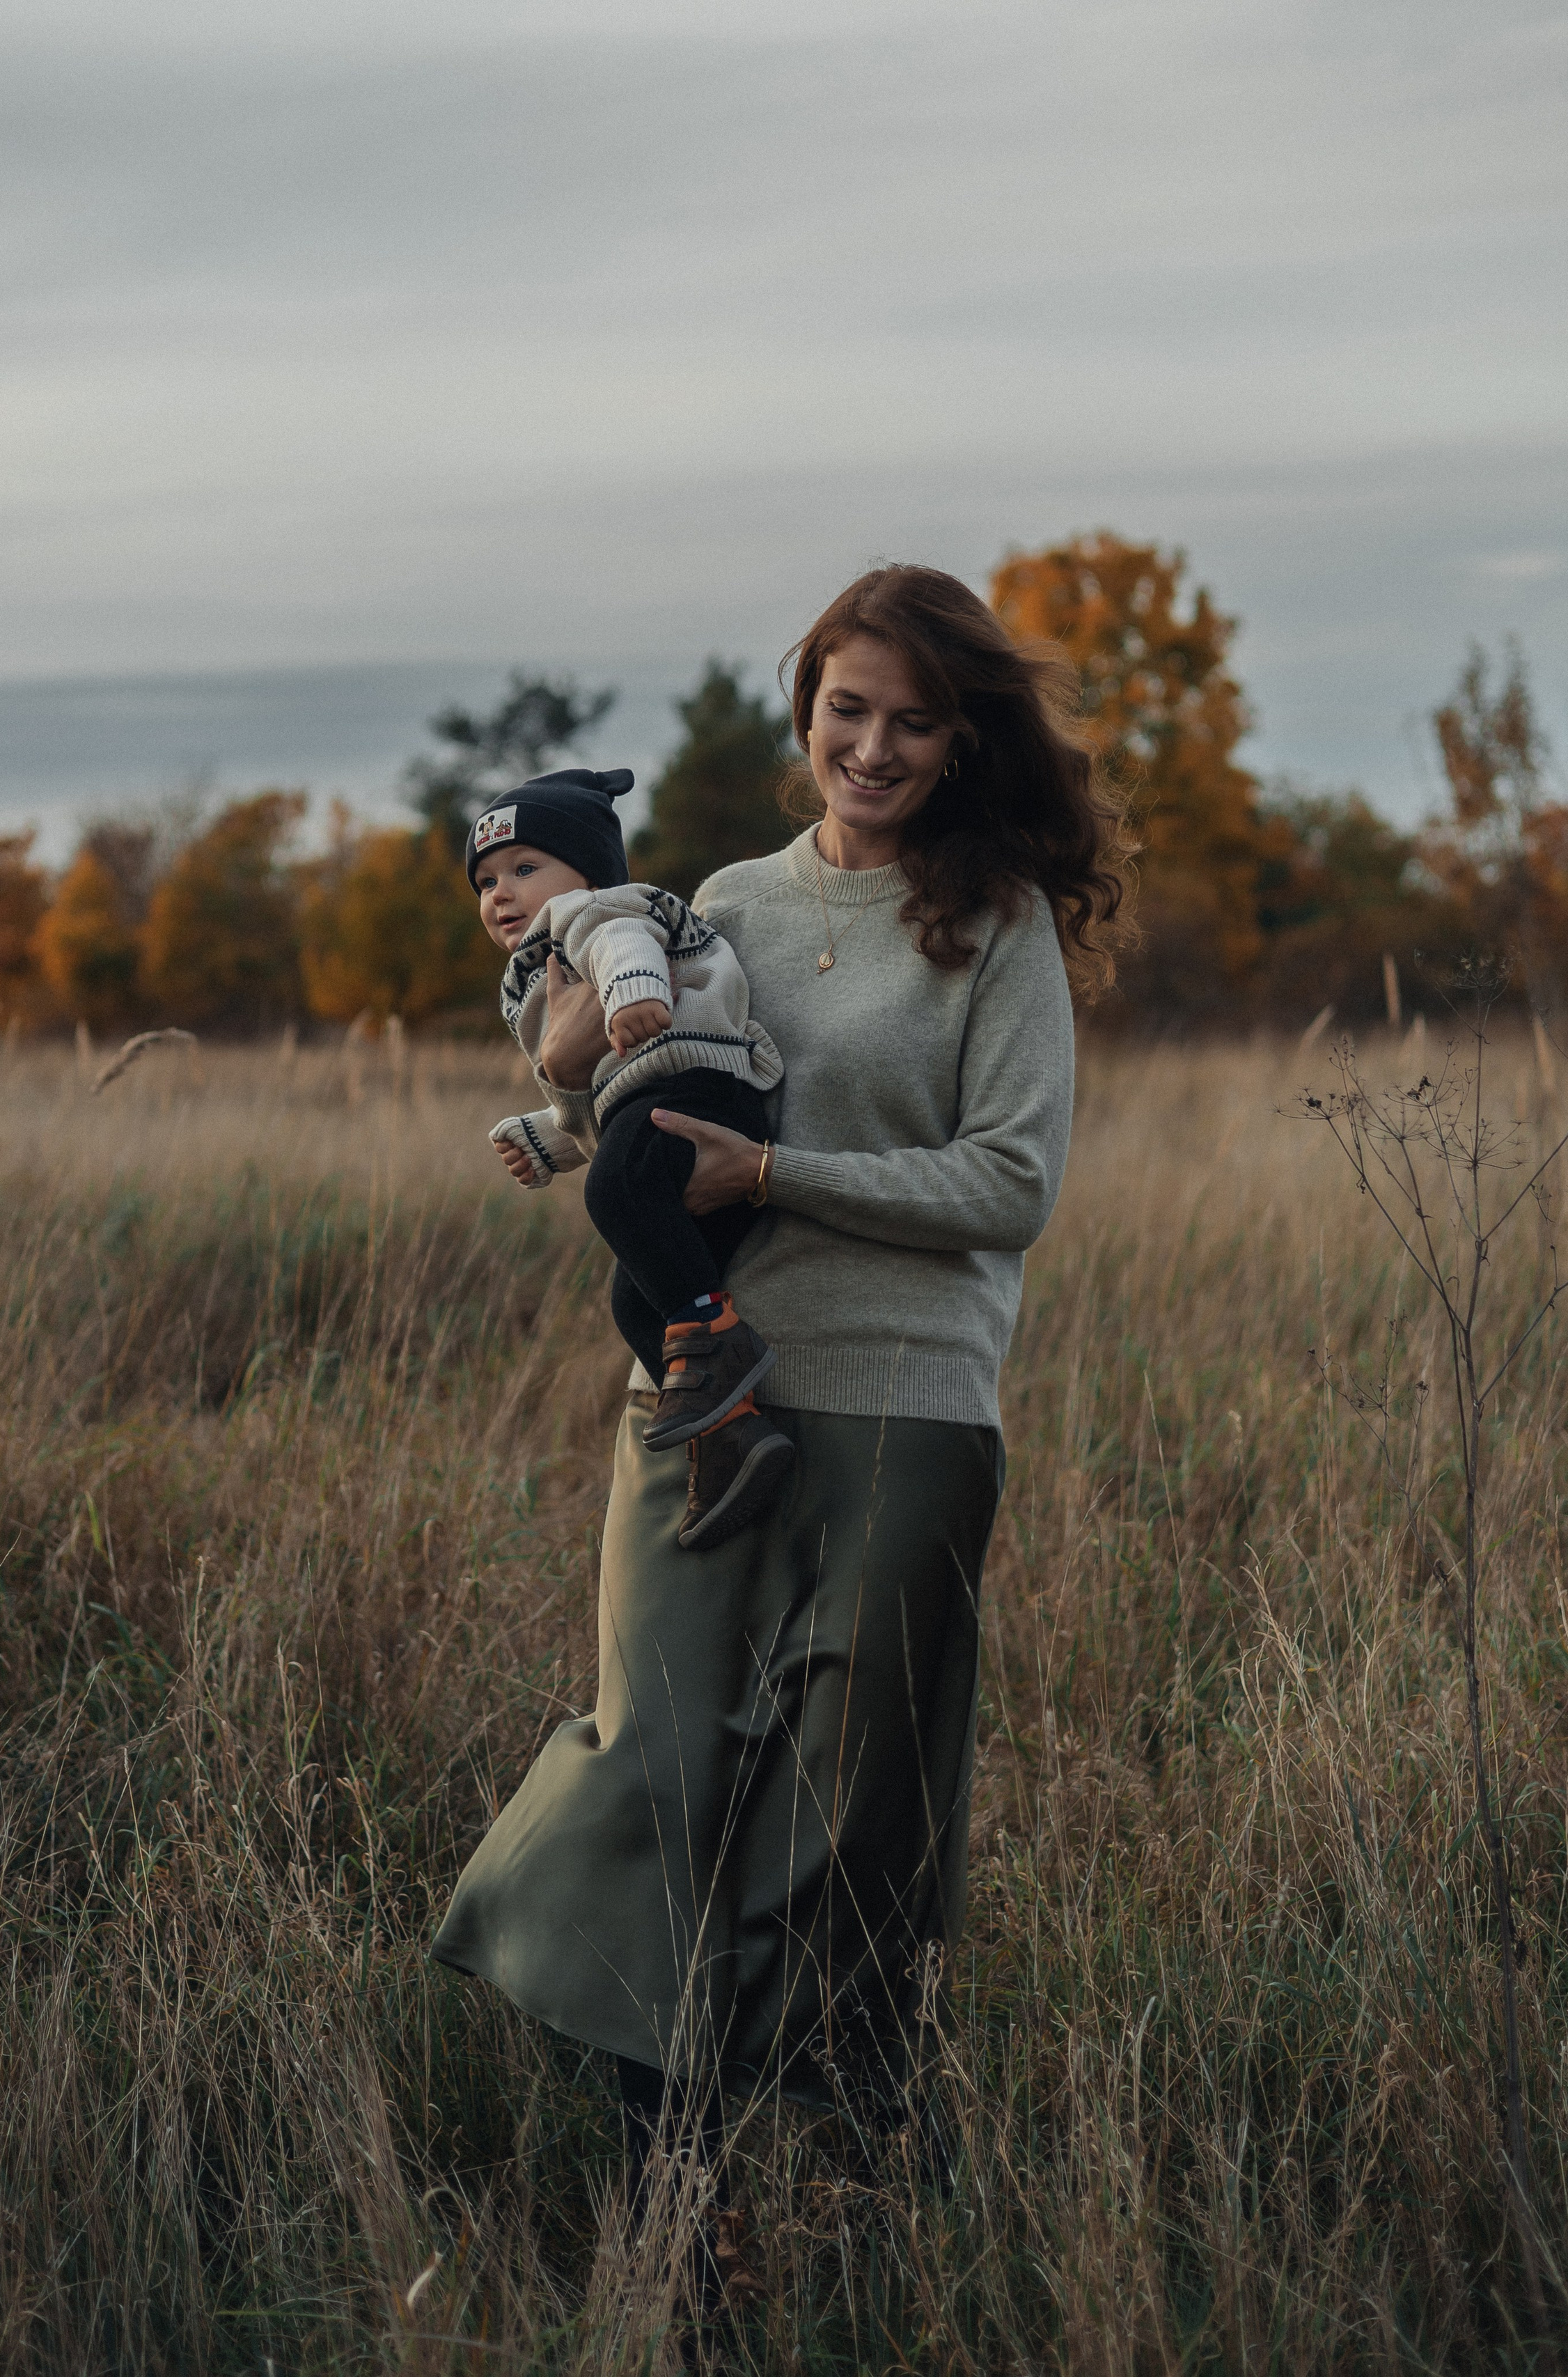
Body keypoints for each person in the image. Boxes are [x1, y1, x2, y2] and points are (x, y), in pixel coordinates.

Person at [434, 566, 1125, 2266]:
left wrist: (774, 1169)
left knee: (840, 1810)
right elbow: (626, 1070)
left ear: (959, 739)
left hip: (901, 1409)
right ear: (802, 704)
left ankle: (819, 2186)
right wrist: (563, 1042)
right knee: (647, 1760)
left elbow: (1010, 1180)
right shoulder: (722, 896)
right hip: (698, 1382)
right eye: (844, 708)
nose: (869, 746)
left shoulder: (995, 923)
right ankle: (660, 2189)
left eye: (908, 719)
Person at [470, 766, 795, 1550]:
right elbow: (599, 1097)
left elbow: (625, 949)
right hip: (650, 1100)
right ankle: (734, 1433)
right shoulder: (535, 966)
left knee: (618, 1194)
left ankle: (716, 1344)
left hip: (701, 1082)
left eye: (523, 869)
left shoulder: (599, 913)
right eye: (484, 882)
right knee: (632, 1297)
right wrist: (545, 1139)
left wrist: (633, 994)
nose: (500, 894)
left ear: (587, 871)